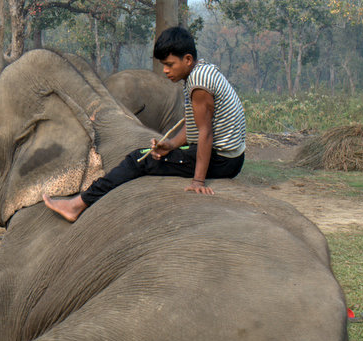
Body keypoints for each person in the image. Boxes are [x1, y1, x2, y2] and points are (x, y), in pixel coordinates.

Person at [44, 26, 246, 222]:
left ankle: (77, 205)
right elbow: (195, 123)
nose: (166, 71)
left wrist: (198, 181)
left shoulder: (199, 85)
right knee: (156, 152)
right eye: (163, 65)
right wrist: (172, 144)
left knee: (138, 160)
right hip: (230, 156)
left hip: (223, 161)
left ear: (187, 59)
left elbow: (205, 133)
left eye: (170, 64)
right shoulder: (201, 71)